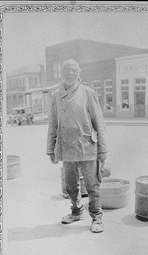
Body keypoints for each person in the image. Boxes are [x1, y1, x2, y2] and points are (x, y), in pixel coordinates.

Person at [46, 59, 108, 233]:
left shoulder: (87, 92)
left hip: (87, 147)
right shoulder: (56, 96)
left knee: (92, 185)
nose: (70, 73)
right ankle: (76, 211)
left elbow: (99, 123)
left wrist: (102, 150)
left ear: (79, 72)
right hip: (67, 148)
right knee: (71, 185)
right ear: (62, 73)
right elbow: (52, 124)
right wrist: (51, 148)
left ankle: (97, 218)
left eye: (74, 70)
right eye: (66, 70)